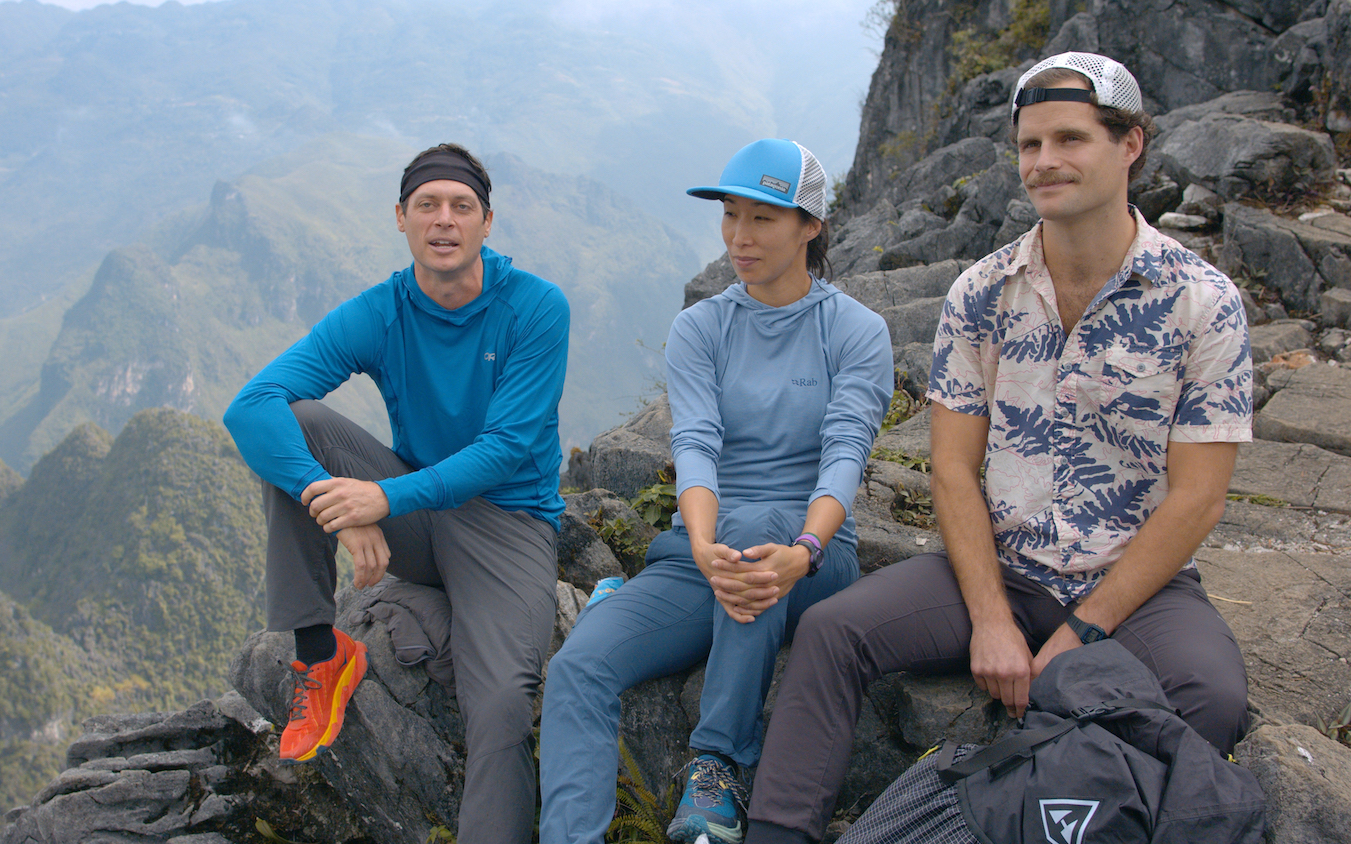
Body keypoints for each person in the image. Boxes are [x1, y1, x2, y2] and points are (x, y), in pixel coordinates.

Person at [741, 52, 1255, 844]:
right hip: (1001, 565)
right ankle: (782, 832)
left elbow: (1199, 497)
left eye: (1070, 139)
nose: (1045, 162)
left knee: (1212, 699)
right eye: (1029, 144)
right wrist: (990, 620)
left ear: (1130, 145)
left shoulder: (1202, 301)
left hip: (1137, 586)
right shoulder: (982, 292)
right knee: (832, 633)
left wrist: (1080, 635)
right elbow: (951, 466)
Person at [539, 139, 894, 844]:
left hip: (812, 556)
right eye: (730, 216)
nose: (739, 236)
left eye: (762, 219)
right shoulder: (703, 327)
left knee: (758, 531)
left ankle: (719, 764)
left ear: (810, 226)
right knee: (580, 666)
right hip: (703, 552)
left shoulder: (855, 331)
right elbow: (695, 445)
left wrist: (805, 547)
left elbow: (844, 456)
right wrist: (700, 544)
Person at [223, 142, 569, 844]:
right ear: (401, 219)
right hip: (416, 518)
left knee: (501, 703)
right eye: (427, 206)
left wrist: (382, 502)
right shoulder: (381, 311)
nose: (444, 221)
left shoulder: (534, 308)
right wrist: (332, 499)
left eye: (461, 207)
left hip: (508, 523)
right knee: (299, 424)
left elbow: (506, 449)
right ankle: (321, 654)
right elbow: (251, 405)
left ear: (487, 222)